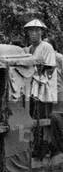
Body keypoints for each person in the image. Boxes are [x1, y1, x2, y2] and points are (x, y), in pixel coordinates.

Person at [26, 19, 58, 158]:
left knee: (44, 118)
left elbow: (50, 68)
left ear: (41, 32)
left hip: (43, 87)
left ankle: (46, 146)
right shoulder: (29, 48)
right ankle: (37, 146)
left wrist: (36, 69)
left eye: (36, 31)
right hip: (32, 88)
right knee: (34, 116)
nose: (33, 34)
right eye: (31, 31)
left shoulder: (46, 47)